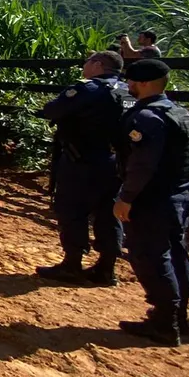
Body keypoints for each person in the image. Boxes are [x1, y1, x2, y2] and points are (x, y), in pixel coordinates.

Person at [113, 59, 189, 346]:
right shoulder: (182, 114)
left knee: (151, 257)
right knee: (176, 254)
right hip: (181, 197)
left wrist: (126, 197)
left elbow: (143, 164)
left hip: (152, 200)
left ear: (145, 83)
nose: (129, 86)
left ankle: (165, 321)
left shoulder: (148, 118)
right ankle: (179, 316)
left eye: (132, 82)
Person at [35, 50, 126, 285]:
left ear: (97, 65)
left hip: (82, 160)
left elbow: (52, 110)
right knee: (109, 212)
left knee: (72, 208)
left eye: (87, 62)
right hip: (118, 162)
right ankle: (107, 268)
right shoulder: (129, 90)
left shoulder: (88, 89)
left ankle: (72, 263)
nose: (84, 66)